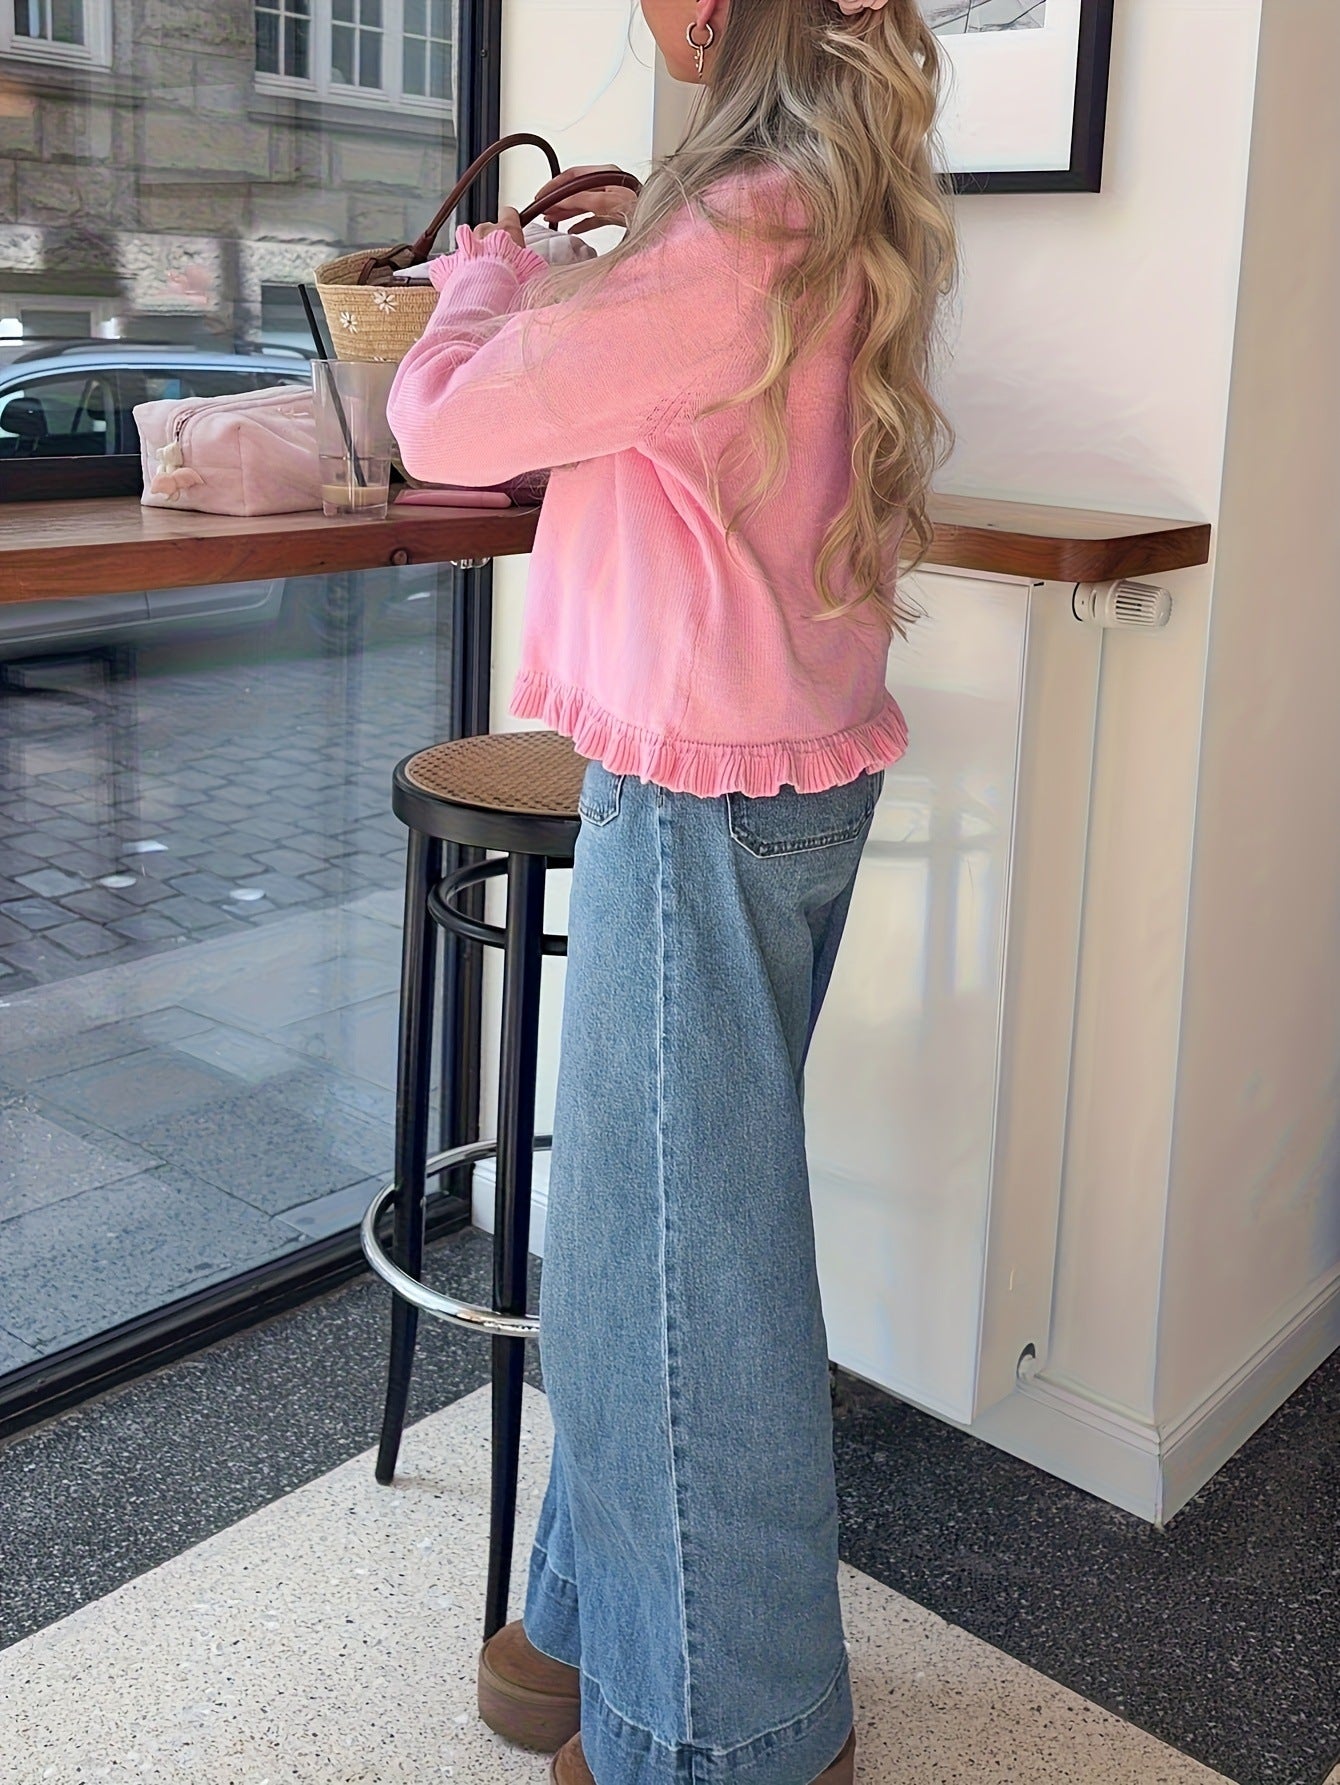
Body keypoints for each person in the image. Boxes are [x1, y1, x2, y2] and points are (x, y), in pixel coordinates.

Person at [387, 1, 958, 1777]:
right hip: (787, 781)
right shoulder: (811, 210)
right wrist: (623, 258)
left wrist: (487, 274)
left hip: (701, 800)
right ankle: (586, 1627)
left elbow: (441, 419)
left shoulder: (731, 235)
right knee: (664, 1242)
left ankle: (736, 1735)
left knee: (672, 1286)